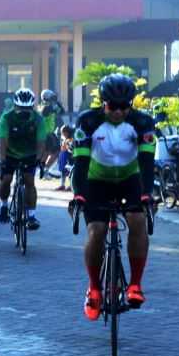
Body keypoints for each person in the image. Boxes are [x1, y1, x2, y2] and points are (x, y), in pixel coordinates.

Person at [71, 74, 156, 321]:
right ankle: (94, 288)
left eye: (124, 106)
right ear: (103, 102)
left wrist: (146, 193)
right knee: (96, 231)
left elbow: (147, 163)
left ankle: (135, 285)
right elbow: (81, 162)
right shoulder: (88, 121)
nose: (118, 112)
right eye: (112, 106)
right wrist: (79, 194)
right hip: (97, 182)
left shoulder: (142, 122)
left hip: (130, 181)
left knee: (137, 221)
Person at [0, 88, 46, 230]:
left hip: (30, 154)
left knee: (29, 181)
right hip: (10, 153)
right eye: (20, 108)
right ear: (15, 106)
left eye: (27, 108)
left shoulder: (38, 119)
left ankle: (31, 216)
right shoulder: (6, 118)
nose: (24, 111)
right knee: (6, 179)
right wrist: (3, 161)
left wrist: (39, 161)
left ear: (32, 107)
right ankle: (4, 206)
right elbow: (2, 141)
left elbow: (41, 143)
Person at [40, 89, 66, 176]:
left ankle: (44, 170)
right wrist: (56, 104)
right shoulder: (46, 107)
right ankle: (44, 169)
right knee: (54, 152)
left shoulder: (50, 106)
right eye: (51, 97)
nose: (52, 99)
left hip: (49, 133)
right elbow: (50, 110)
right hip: (46, 133)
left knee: (51, 152)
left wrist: (57, 103)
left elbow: (62, 111)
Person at [56, 126, 74, 191]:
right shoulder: (64, 139)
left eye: (62, 132)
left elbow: (71, 150)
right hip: (63, 157)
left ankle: (70, 185)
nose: (62, 134)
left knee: (69, 172)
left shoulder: (70, 140)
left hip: (69, 158)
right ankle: (62, 185)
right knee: (63, 171)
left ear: (66, 132)